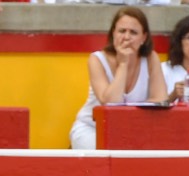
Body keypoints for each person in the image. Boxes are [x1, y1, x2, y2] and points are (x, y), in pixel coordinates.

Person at [69, 7, 168, 150]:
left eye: (133, 32)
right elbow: (110, 103)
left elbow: (160, 100)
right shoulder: (97, 59)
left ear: (144, 38)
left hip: (132, 132)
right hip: (93, 129)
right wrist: (123, 64)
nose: (126, 37)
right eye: (122, 31)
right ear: (113, 34)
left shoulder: (151, 58)